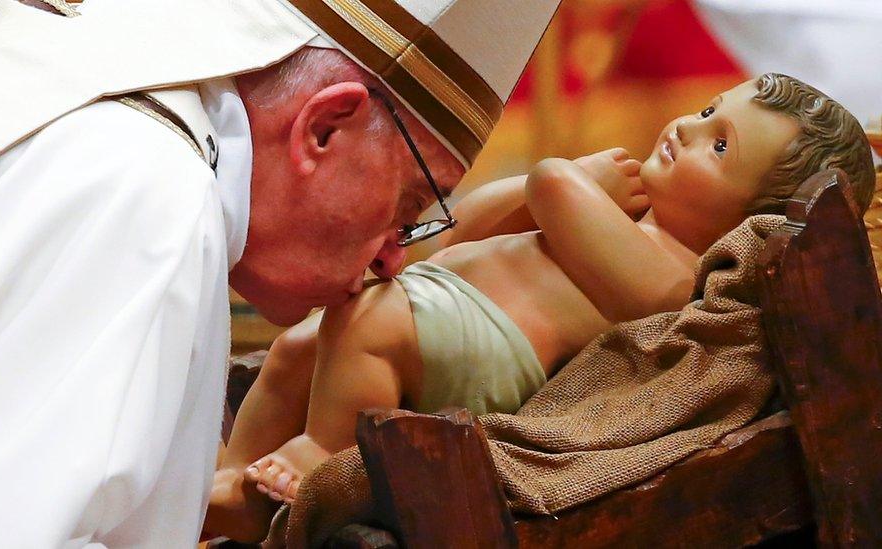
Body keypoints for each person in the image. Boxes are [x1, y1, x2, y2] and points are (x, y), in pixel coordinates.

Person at [0, 0, 560, 546]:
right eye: (412, 205)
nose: (395, 256)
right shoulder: (152, 194)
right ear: (325, 127)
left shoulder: (77, 112)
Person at [205, 73, 876, 541]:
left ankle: (324, 453)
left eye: (720, 146)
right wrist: (546, 188)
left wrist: (573, 176)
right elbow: (467, 221)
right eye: (705, 112)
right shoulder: (628, 210)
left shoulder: (676, 273)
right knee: (301, 343)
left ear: (748, 219)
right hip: (434, 304)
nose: (687, 131)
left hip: (479, 353)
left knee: (366, 325)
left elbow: (551, 183)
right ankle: (233, 474)